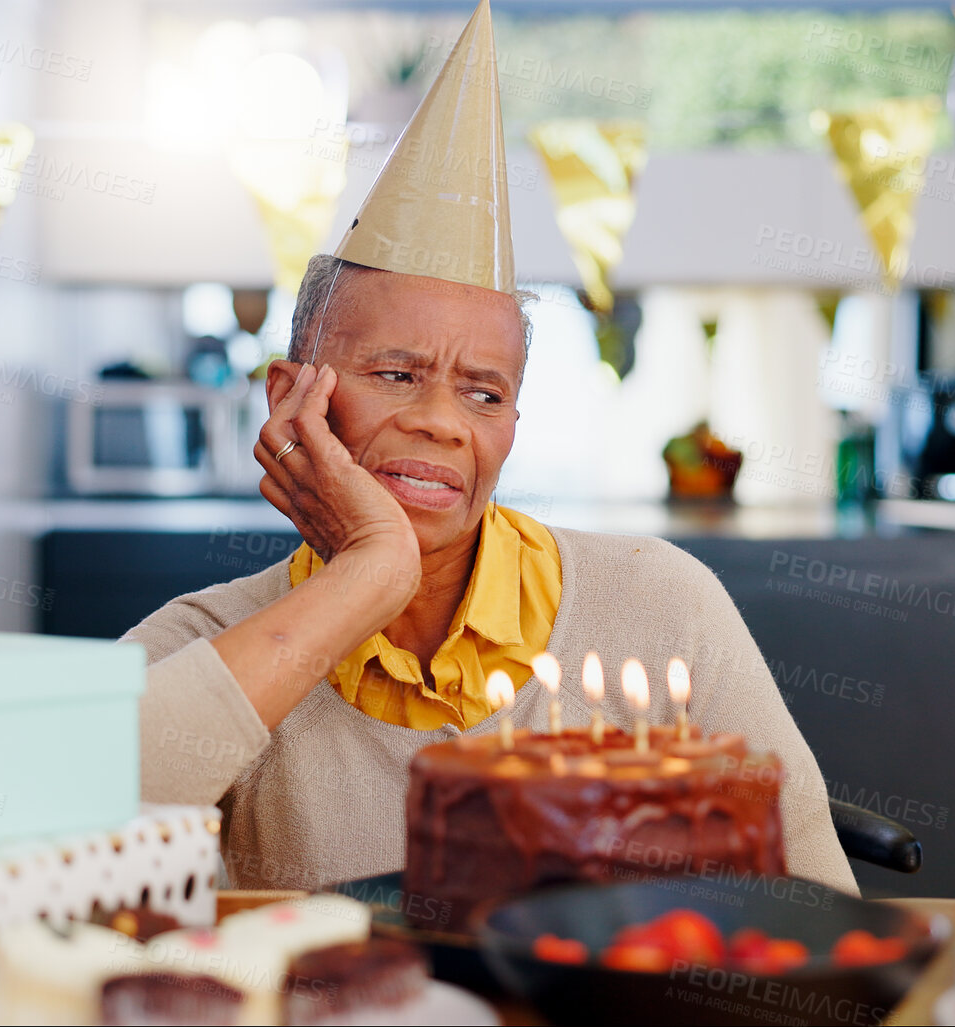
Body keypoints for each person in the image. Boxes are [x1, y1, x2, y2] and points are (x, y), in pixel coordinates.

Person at [129, 0, 856, 897]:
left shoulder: (662, 603)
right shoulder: (214, 640)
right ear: (290, 397)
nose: (443, 421)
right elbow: (39, 828)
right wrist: (370, 572)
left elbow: (819, 908)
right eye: (396, 373)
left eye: (484, 392)